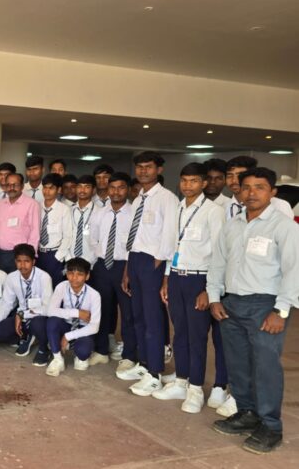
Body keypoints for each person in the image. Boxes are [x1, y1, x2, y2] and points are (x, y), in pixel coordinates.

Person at [207, 167, 299, 454]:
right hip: (231, 304)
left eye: (259, 187)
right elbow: (218, 263)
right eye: (246, 187)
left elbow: (294, 270)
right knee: (238, 364)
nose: (251, 193)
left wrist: (281, 311)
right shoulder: (233, 225)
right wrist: (214, 297)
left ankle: (271, 426)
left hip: (265, 306)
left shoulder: (284, 227)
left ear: (272, 192)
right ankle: (247, 413)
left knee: (265, 367)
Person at [153, 162, 228, 414]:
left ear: (204, 183)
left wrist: (209, 289)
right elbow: (173, 246)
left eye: (194, 181)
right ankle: (181, 381)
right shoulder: (177, 208)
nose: (188, 185)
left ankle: (196, 389)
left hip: (199, 280)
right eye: (184, 180)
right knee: (180, 333)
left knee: (197, 337)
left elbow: (220, 254)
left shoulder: (213, 212)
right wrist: (167, 278)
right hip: (176, 277)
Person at [119, 152, 178, 397]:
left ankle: (155, 374)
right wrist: (127, 269)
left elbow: (171, 235)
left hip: (153, 262)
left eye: (149, 167)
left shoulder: (167, 199)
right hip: (135, 259)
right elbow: (133, 237)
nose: (143, 171)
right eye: (140, 167)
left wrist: (160, 267)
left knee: (153, 319)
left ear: (159, 170)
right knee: (138, 316)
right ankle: (144, 364)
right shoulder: (138, 199)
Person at [88, 172, 133, 367]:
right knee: (102, 309)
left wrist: (129, 269)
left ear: (128, 189)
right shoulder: (100, 213)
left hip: (125, 266)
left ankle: (129, 355)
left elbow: (136, 244)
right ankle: (101, 350)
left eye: (120, 187)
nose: (116, 192)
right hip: (102, 266)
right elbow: (92, 238)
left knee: (128, 312)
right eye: (112, 188)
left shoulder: (134, 213)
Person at [0, 244, 53, 366]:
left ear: (33, 262)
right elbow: (6, 304)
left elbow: (48, 308)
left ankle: (43, 349)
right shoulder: (12, 278)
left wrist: (22, 314)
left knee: (37, 323)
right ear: (15, 262)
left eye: (27, 261)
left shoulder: (44, 277)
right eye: (19, 261)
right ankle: (26, 337)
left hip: (39, 317)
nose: (22, 265)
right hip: (21, 318)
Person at [45, 258, 101, 376]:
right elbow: (50, 311)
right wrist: (77, 313)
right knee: (52, 321)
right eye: (71, 273)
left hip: (83, 329)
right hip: (67, 324)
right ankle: (57, 359)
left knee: (83, 352)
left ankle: (78, 354)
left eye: (80, 274)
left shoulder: (94, 295)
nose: (74, 278)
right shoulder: (62, 286)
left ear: (87, 276)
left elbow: (94, 327)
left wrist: (67, 336)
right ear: (66, 274)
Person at [0, 173, 40, 274]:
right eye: (8, 185)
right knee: (0, 282)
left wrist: (29, 256)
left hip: (19, 256)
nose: (11, 188)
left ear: (22, 186)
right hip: (0, 254)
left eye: (15, 185)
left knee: (17, 283)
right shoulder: (1, 204)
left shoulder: (32, 204)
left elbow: (35, 232)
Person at [224, 156, 293, 220]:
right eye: (229, 176)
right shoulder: (224, 207)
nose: (234, 180)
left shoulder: (280, 205)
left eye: (240, 175)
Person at [37, 173, 73, 287]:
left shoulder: (64, 209)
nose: (47, 191)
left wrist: (58, 257)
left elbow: (68, 236)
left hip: (54, 255)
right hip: (38, 254)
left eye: (51, 188)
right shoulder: (36, 207)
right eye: (45, 188)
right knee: (39, 287)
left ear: (58, 190)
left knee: (55, 287)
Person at [66, 174, 97, 265]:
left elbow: (100, 242)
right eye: (79, 187)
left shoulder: (99, 213)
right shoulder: (68, 211)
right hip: (69, 260)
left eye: (87, 187)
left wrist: (89, 261)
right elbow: (64, 237)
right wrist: (68, 259)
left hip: (91, 262)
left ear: (94, 190)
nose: (82, 190)